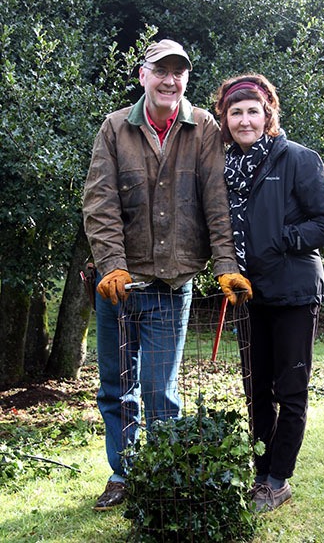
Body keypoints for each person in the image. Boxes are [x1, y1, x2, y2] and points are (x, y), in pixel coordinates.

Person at [82, 40, 252, 510]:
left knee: (160, 390)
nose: (169, 80)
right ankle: (123, 474)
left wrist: (225, 267)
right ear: (143, 75)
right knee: (117, 387)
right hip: (118, 288)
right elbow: (100, 203)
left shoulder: (204, 130)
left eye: (179, 72)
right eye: (161, 70)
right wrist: (113, 265)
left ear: (186, 80)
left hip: (172, 285)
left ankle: (161, 477)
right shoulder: (115, 128)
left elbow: (217, 204)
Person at [215, 74, 324, 512]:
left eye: (253, 110)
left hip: (293, 293)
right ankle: (260, 474)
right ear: (224, 118)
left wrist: (279, 239)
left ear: (268, 113)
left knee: (290, 390)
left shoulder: (299, 159)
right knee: (256, 390)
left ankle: (278, 479)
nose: (245, 120)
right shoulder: (224, 167)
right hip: (250, 295)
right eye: (236, 112)